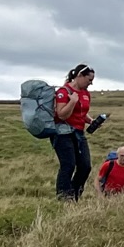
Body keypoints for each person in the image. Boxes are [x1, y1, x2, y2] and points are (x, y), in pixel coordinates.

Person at [49, 64, 106, 201]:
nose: (91, 83)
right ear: (79, 76)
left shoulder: (86, 94)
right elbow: (62, 115)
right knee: (68, 165)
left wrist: (91, 121)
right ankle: (63, 197)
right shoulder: (63, 92)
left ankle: (74, 196)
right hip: (62, 133)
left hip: (79, 133)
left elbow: (82, 113)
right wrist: (72, 101)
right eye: (89, 79)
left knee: (85, 166)